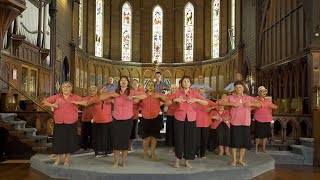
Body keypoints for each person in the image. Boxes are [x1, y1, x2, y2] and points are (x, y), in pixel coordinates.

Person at [42, 81, 87, 166]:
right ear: (61, 88)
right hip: (59, 123)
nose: (65, 88)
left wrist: (77, 102)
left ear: (71, 88)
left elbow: (86, 103)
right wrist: (52, 104)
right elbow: (44, 101)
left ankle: (66, 160)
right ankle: (58, 160)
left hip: (71, 123)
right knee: (58, 142)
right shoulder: (57, 96)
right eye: (63, 87)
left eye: (67, 86)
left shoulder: (75, 97)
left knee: (68, 142)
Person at [167, 76, 208, 168]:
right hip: (179, 118)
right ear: (181, 83)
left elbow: (206, 103)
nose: (186, 83)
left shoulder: (194, 93)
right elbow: (167, 102)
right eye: (184, 81)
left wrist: (196, 100)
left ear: (190, 83)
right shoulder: (177, 93)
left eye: (187, 81)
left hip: (191, 119)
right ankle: (177, 159)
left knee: (189, 139)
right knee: (179, 139)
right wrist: (175, 100)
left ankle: (187, 160)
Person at [218, 81, 261, 166]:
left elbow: (259, 104)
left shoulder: (248, 98)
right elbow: (219, 102)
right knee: (234, 142)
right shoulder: (230, 97)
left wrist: (251, 103)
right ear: (234, 88)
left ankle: (240, 160)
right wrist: (231, 103)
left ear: (243, 88)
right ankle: (234, 160)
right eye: (236, 87)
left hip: (245, 123)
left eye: (240, 87)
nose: (238, 89)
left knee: (244, 143)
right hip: (235, 122)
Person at [111, 76, 146, 168]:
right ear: (119, 82)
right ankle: (115, 162)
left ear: (127, 83)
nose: (123, 82)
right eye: (121, 80)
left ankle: (123, 162)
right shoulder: (115, 92)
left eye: (125, 80)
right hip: (116, 120)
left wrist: (133, 96)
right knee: (116, 142)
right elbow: (103, 97)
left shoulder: (131, 91)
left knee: (125, 142)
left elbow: (144, 95)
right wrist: (111, 96)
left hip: (127, 120)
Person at [139, 81, 166, 159]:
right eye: (149, 85)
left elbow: (166, 100)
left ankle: (153, 153)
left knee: (154, 137)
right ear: (146, 86)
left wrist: (159, 96)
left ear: (154, 87)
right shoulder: (143, 95)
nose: (150, 86)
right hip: (145, 117)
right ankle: (145, 153)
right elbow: (135, 102)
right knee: (145, 138)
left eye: (152, 85)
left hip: (156, 117)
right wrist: (138, 97)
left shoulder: (158, 95)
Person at [90, 86, 119, 157]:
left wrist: (111, 99)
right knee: (98, 138)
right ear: (99, 90)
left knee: (107, 137)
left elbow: (116, 95)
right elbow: (100, 99)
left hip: (108, 120)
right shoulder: (95, 97)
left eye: (105, 89)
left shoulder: (109, 97)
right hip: (98, 120)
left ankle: (107, 152)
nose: (104, 90)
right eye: (102, 88)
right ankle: (98, 152)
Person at [253, 86, 278, 153]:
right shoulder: (255, 100)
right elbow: (252, 107)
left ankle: (263, 148)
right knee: (258, 135)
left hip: (267, 119)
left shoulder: (268, 100)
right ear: (259, 93)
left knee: (266, 135)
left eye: (265, 91)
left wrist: (272, 106)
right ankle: (256, 148)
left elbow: (275, 107)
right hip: (258, 119)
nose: (264, 93)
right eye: (262, 91)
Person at [195, 87, 217, 159]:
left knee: (204, 139)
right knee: (196, 139)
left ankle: (203, 154)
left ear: (205, 93)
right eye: (200, 92)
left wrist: (211, 108)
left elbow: (218, 106)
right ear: (197, 93)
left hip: (206, 123)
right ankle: (196, 152)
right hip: (196, 123)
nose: (201, 93)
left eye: (203, 92)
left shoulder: (208, 101)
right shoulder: (195, 101)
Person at [129, 79, 145, 151]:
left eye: (136, 84)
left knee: (133, 132)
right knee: (126, 131)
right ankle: (125, 146)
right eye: (133, 84)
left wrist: (134, 97)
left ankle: (130, 146)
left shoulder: (140, 92)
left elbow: (144, 97)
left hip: (135, 114)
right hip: (126, 114)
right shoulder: (128, 92)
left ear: (138, 85)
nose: (134, 85)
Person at [80, 86, 97, 150]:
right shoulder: (84, 98)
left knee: (93, 133)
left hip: (94, 118)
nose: (91, 92)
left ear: (96, 92)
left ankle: (92, 146)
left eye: (93, 90)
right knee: (84, 134)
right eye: (90, 90)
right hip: (85, 117)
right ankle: (84, 146)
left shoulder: (98, 99)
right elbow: (80, 107)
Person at [164, 85, 178, 151]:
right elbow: (166, 106)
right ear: (170, 89)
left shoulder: (179, 95)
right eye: (172, 88)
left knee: (176, 131)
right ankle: (171, 146)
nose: (174, 89)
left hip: (177, 115)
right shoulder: (168, 96)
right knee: (170, 131)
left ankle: (176, 146)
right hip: (170, 114)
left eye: (175, 88)